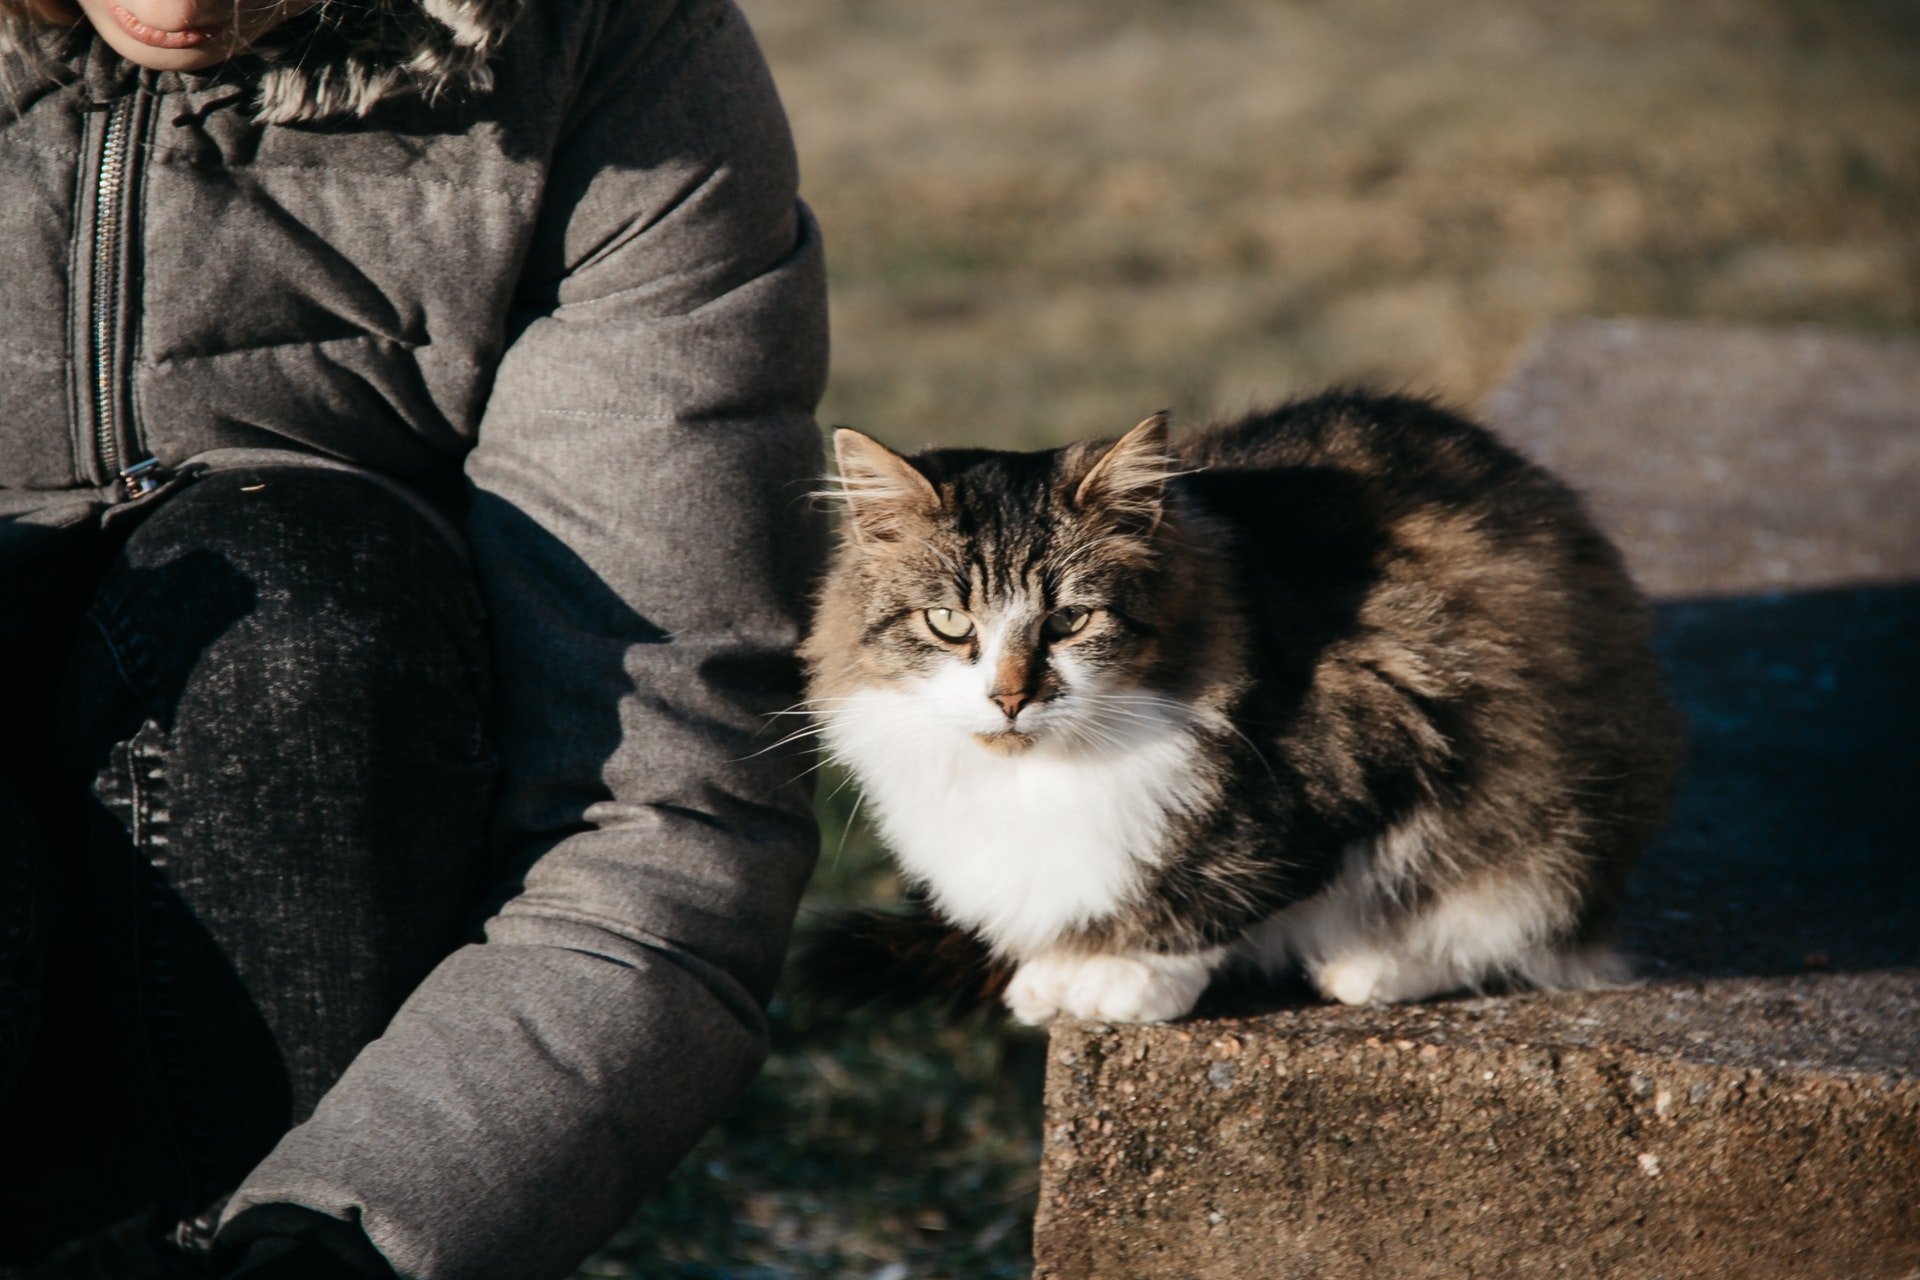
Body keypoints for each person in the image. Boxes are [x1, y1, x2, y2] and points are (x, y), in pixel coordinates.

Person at [0, 0, 828, 1275]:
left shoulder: (608, 41)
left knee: (302, 618)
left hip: (352, 878)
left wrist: (361, 1239)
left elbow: (657, 811)